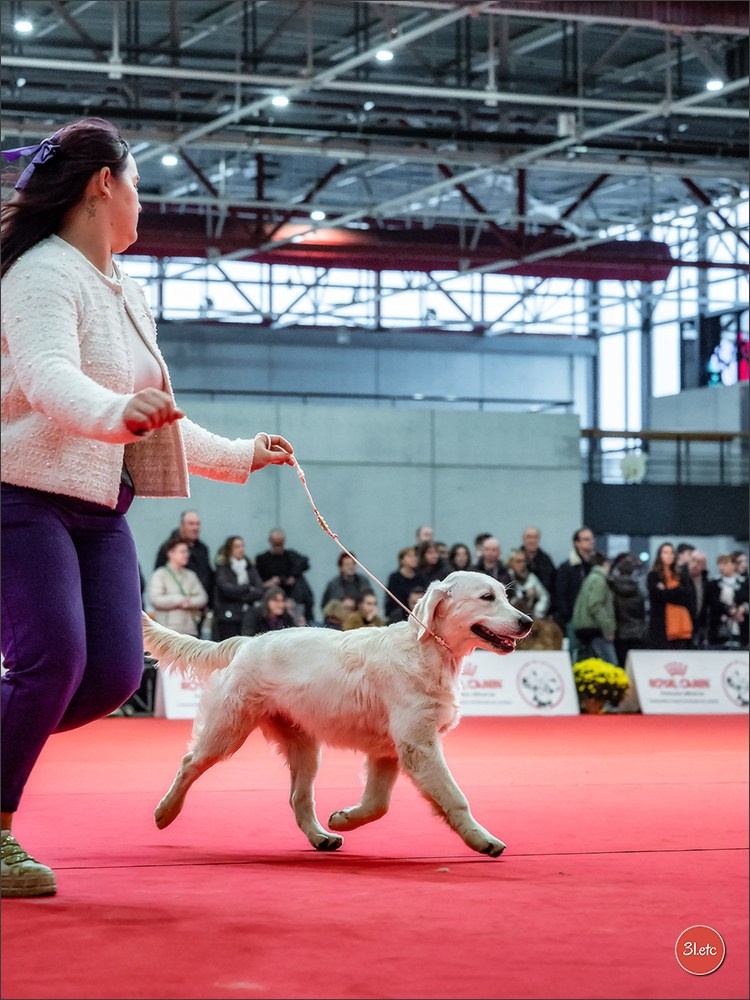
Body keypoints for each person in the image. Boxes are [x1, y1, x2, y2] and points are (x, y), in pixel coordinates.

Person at [0, 117, 295, 898]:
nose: (143, 203)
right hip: (17, 496)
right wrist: (113, 413)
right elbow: (46, 378)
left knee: (110, 676)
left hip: (100, 509)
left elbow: (155, 410)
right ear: (104, 185)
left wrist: (237, 454)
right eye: (137, 185)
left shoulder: (128, 290)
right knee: (51, 663)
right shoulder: (38, 272)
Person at [154, 510, 214, 623]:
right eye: (191, 524)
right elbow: (159, 578)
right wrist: (179, 600)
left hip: (196, 612)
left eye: (197, 524)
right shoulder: (167, 548)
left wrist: (207, 603)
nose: (195, 527)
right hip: (171, 616)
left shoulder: (203, 549)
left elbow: (208, 576)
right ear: (182, 525)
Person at [148, 539, 209, 636]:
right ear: (170, 553)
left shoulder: (191, 575)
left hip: (190, 630)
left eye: (187, 551)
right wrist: (180, 600)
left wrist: (190, 602)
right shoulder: (160, 574)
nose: (186, 554)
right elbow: (156, 599)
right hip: (167, 630)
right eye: (182, 552)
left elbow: (203, 598)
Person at [212, 535, 265, 641]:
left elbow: (260, 590)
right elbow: (227, 590)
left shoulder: (250, 567)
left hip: (247, 615)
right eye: (237, 546)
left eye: (242, 546)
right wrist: (247, 588)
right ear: (229, 550)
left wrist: (240, 595)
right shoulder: (223, 567)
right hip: (228, 617)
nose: (241, 549)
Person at [255, 529, 314, 622]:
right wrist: (270, 582)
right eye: (276, 544)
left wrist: (293, 576)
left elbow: (305, 563)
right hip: (270, 598)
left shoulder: (290, 556)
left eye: (280, 544)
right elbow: (257, 582)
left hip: (292, 598)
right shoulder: (262, 559)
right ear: (270, 541)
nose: (278, 547)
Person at [571, 552, 617, 665]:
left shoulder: (590, 578)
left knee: (589, 665)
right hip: (595, 629)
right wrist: (608, 628)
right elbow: (595, 605)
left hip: (585, 628)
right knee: (610, 665)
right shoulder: (599, 580)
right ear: (605, 564)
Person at [646, 543, 695, 650]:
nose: (669, 555)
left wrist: (667, 591)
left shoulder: (681, 575)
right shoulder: (654, 575)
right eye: (665, 552)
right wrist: (677, 591)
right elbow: (658, 596)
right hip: (662, 625)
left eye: (671, 552)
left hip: (682, 623)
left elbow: (687, 595)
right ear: (660, 555)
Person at [553, 526, 595, 635]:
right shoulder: (567, 567)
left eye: (591, 538)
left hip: (592, 622)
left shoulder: (594, 566)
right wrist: (568, 616)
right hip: (572, 620)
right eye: (586, 539)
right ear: (577, 543)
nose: (591, 542)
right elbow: (560, 594)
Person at [608, 553, 647, 667]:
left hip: (620, 633)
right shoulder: (639, 590)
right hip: (637, 633)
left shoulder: (612, 587)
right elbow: (642, 612)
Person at [707, 554, 749, 649]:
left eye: (725, 563)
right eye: (720, 564)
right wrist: (729, 610)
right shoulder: (714, 583)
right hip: (719, 627)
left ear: (734, 565)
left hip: (741, 627)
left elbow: (746, 599)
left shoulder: (744, 582)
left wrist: (742, 608)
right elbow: (712, 602)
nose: (721, 567)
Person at [384, 546, 427, 622]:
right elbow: (393, 599)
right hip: (399, 615)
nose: (413, 559)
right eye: (410, 556)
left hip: (418, 613)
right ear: (402, 560)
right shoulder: (394, 578)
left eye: (415, 556)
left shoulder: (420, 576)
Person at [505, 549, 549, 618]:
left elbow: (544, 597)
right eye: (518, 561)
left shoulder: (531, 577)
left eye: (524, 561)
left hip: (531, 615)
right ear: (511, 562)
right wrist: (525, 596)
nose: (522, 564)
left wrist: (537, 612)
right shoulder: (506, 577)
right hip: (512, 616)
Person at [520, 527, 557, 602]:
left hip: (544, 605)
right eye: (529, 537)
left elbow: (553, 584)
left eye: (535, 537)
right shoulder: (516, 558)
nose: (532, 541)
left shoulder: (546, 560)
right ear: (523, 539)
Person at [686, 550, 710, 649]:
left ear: (704, 565)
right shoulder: (682, 580)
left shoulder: (706, 582)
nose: (695, 565)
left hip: (700, 625)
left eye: (699, 562)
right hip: (684, 624)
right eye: (693, 561)